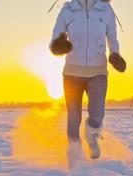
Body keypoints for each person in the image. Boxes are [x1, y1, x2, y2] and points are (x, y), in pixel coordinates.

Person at [49, 0, 127, 167]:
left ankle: (91, 135)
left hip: (97, 72)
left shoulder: (105, 10)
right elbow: (56, 35)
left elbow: (112, 37)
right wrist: (57, 45)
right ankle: (74, 153)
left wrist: (115, 54)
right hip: (72, 74)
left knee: (97, 115)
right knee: (73, 118)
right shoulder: (67, 10)